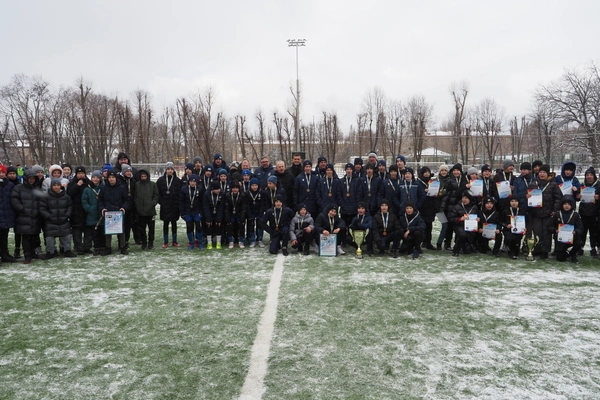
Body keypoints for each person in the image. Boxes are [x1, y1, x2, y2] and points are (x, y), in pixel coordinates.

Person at [526, 164, 562, 259]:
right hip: (536, 213)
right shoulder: (533, 184)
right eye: (540, 172)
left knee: (547, 233)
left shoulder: (553, 185)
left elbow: (557, 198)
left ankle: (545, 251)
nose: (542, 174)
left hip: (548, 213)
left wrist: (554, 210)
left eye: (544, 172)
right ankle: (537, 249)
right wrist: (527, 197)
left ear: (548, 174)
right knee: (537, 232)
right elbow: (528, 196)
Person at [11, 169, 44, 264]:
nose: (32, 180)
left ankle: (33, 252)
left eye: (33, 178)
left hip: (35, 216)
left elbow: (42, 200)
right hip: (23, 216)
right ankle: (27, 254)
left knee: (34, 236)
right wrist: (22, 209)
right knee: (25, 236)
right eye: (30, 178)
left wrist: (39, 210)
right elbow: (14, 199)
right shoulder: (18, 188)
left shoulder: (37, 189)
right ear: (26, 178)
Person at [40, 178, 76, 259]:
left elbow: (70, 207)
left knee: (67, 236)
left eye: (58, 185)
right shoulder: (45, 197)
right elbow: (42, 208)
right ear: (51, 186)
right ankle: (50, 251)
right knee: (49, 237)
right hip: (50, 221)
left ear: (60, 186)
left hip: (64, 220)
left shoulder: (66, 197)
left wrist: (67, 215)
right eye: (54, 185)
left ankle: (67, 250)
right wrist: (48, 216)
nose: (56, 187)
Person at [98, 170, 129, 256]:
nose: (111, 179)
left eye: (113, 177)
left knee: (121, 231)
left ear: (116, 178)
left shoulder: (122, 188)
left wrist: (124, 207)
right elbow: (100, 200)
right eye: (110, 177)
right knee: (108, 231)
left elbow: (126, 200)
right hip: (108, 212)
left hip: (119, 212)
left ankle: (123, 247)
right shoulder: (104, 188)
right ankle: (108, 247)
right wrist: (102, 208)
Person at [549, 195, 583, 263]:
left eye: (569, 204)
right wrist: (555, 230)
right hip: (560, 239)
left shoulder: (575, 215)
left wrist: (576, 231)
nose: (567, 206)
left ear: (572, 205)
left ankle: (572, 254)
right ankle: (564, 252)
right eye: (565, 204)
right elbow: (549, 226)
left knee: (579, 243)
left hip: (572, 238)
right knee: (561, 259)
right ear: (562, 205)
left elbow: (580, 228)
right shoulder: (557, 214)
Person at [157, 162, 183, 248]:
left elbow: (180, 194)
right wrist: (161, 202)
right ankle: (165, 241)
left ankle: (174, 241)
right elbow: (157, 193)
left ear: (173, 170)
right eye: (168, 169)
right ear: (166, 170)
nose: (170, 171)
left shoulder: (177, 181)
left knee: (174, 224)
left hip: (174, 206)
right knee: (165, 224)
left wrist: (177, 203)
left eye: (171, 169)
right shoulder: (160, 180)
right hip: (165, 206)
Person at [67, 166, 91, 255]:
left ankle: (87, 247)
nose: (81, 175)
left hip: (86, 210)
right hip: (76, 210)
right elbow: (69, 194)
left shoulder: (89, 183)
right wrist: (77, 186)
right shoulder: (72, 183)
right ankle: (78, 247)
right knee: (77, 229)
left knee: (88, 229)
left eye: (82, 173)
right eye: (79, 173)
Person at [448, 191, 479, 256]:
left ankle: (468, 245)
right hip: (459, 225)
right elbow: (451, 218)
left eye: (466, 198)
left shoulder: (474, 207)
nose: (464, 200)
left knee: (467, 251)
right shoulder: (456, 207)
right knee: (462, 234)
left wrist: (478, 219)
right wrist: (460, 219)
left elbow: (478, 216)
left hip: (470, 226)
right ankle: (456, 250)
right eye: (463, 198)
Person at [81, 170, 105, 256]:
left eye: (97, 177)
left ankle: (103, 247)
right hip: (92, 214)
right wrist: (89, 209)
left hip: (102, 213)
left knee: (102, 232)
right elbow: (84, 201)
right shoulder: (87, 189)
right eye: (94, 177)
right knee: (94, 233)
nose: (95, 179)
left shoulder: (104, 188)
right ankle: (96, 247)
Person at [577, 167, 600, 256]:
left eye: (591, 175)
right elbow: (576, 197)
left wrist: (599, 197)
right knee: (582, 231)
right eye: (587, 175)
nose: (589, 176)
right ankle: (580, 247)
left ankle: (593, 248)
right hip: (583, 212)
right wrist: (578, 196)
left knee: (594, 232)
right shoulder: (582, 186)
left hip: (595, 212)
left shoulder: (598, 185)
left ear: (594, 176)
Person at [134, 168, 159, 250]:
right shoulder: (137, 185)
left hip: (150, 211)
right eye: (142, 176)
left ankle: (151, 242)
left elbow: (156, 195)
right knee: (142, 228)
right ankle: (144, 242)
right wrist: (137, 205)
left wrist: (153, 203)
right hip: (140, 211)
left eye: (145, 176)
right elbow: (135, 196)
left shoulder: (153, 185)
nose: (143, 178)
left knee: (151, 228)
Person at [434, 164, 457, 251]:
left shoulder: (451, 180)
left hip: (448, 207)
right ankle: (439, 243)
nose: (443, 172)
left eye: (445, 170)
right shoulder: (435, 181)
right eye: (442, 170)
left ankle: (447, 243)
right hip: (438, 208)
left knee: (448, 226)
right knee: (445, 225)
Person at [179, 174, 203, 250]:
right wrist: (182, 213)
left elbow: (202, 202)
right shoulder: (184, 189)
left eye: (194, 182)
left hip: (197, 211)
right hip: (188, 212)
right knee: (189, 227)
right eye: (191, 181)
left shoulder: (200, 189)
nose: (193, 183)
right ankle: (191, 243)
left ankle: (199, 242)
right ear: (189, 182)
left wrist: (201, 212)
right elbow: (181, 202)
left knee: (198, 227)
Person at [416, 166, 436, 250]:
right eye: (425, 172)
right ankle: (420, 242)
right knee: (422, 226)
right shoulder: (418, 182)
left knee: (429, 225)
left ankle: (428, 242)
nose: (427, 174)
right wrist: (424, 191)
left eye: (428, 172)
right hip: (422, 207)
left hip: (430, 207)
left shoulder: (432, 182)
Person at [0, 164, 16, 262]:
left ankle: (5, 254)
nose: (1, 174)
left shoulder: (10, 185)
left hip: (7, 214)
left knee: (4, 236)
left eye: (3, 172)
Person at [203, 180, 225, 249]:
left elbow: (221, 207)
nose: (218, 190)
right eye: (216, 189)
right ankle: (209, 242)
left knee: (219, 226)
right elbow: (206, 207)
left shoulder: (222, 194)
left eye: (219, 189)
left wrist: (219, 219)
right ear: (212, 189)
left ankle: (218, 242)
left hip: (218, 213)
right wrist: (208, 219)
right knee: (208, 226)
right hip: (209, 213)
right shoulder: (206, 194)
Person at [503, 195, 526, 260]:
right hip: (508, 230)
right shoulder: (506, 211)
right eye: (512, 201)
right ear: (509, 202)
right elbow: (501, 221)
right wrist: (506, 225)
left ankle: (515, 249)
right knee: (510, 238)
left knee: (516, 249)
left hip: (519, 230)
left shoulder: (522, 211)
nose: (514, 203)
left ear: (518, 202)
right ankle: (510, 250)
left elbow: (527, 221)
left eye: (516, 201)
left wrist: (525, 228)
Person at [6, 166, 22, 259]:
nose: (12, 175)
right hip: (7, 210)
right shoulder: (4, 184)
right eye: (10, 173)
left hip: (16, 210)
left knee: (18, 231)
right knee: (5, 232)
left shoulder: (19, 184)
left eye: (13, 173)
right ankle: (5, 251)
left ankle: (17, 249)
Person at [225, 180, 246, 248]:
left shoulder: (242, 195)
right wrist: (228, 218)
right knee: (229, 227)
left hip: (239, 214)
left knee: (241, 227)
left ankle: (241, 241)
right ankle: (231, 241)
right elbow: (226, 208)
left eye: (236, 188)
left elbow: (243, 208)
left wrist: (242, 218)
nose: (235, 189)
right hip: (231, 214)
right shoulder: (228, 195)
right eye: (233, 188)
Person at [245, 177, 262, 247]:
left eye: (256, 185)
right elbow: (247, 204)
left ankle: (260, 239)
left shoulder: (261, 192)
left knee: (260, 225)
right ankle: (252, 240)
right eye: (253, 185)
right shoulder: (247, 193)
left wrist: (261, 213)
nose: (254, 187)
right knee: (251, 226)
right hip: (251, 212)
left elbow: (263, 204)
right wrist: (249, 213)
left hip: (259, 212)